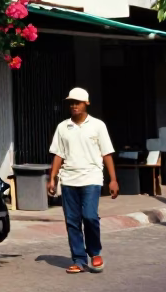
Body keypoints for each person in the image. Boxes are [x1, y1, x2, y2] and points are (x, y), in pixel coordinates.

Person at [47, 88, 118, 274]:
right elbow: (58, 154)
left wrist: (113, 180)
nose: (73, 105)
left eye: (77, 102)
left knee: (90, 216)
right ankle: (79, 259)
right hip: (69, 179)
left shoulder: (98, 125)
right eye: (71, 102)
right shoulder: (63, 127)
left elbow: (107, 153)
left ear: (86, 103)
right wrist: (52, 178)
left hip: (92, 177)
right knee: (72, 220)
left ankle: (95, 253)